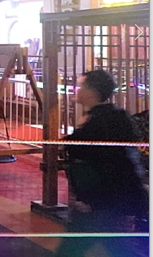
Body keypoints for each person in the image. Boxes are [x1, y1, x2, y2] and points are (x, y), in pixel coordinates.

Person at [54, 70, 148, 257]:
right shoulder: (116, 116)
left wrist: (90, 200)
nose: (77, 90)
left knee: (73, 248)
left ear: (92, 92)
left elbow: (103, 163)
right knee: (114, 244)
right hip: (114, 199)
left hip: (101, 202)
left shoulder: (98, 122)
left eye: (81, 86)